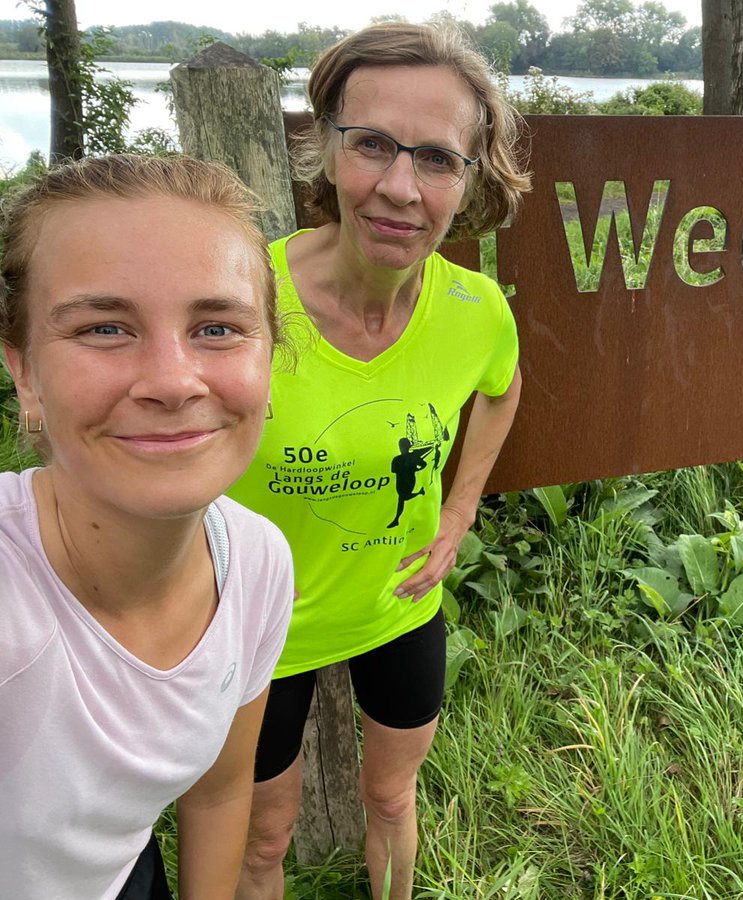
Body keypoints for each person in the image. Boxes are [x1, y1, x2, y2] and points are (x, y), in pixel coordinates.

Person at [226, 22, 530, 900]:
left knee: (391, 795)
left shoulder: (476, 309)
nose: (400, 188)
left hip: (398, 609)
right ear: (326, 150)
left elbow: (502, 390)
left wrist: (461, 509)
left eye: (436, 158)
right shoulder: (243, 298)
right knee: (261, 840)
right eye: (372, 146)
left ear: (471, 178)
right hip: (255, 630)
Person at [0, 154, 294, 899]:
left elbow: (220, 792)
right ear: (24, 372)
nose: (171, 380)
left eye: (219, 327)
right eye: (104, 328)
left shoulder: (255, 560)